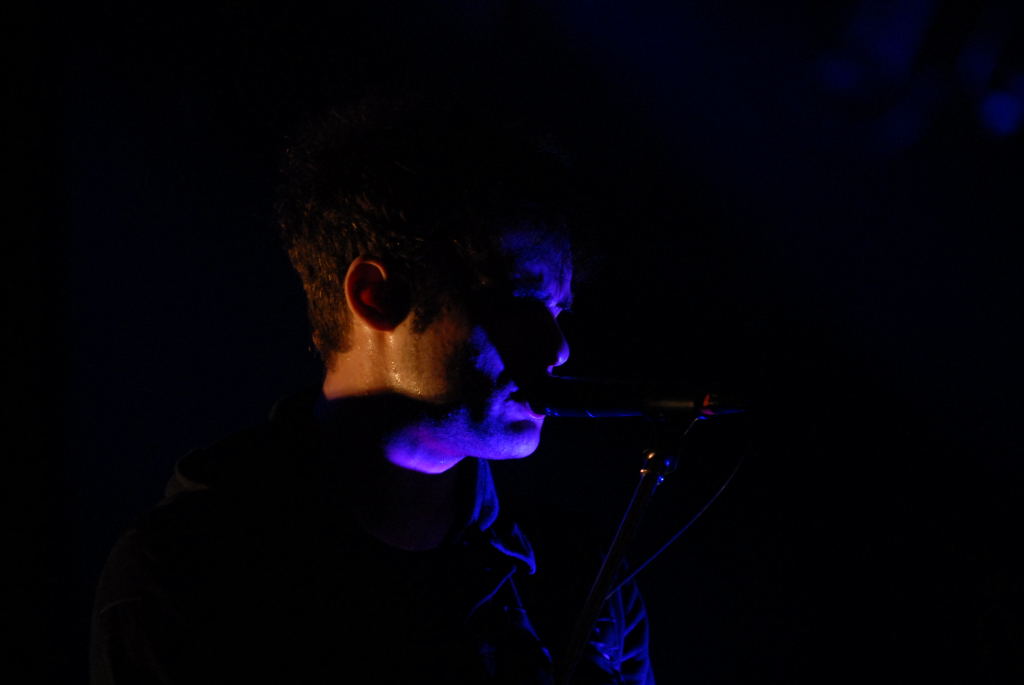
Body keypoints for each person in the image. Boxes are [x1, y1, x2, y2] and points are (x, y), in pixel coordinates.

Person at [89, 93, 654, 684]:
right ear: (376, 296)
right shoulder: (190, 569)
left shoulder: (582, 574)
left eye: (559, 310)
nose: (558, 348)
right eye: (520, 301)